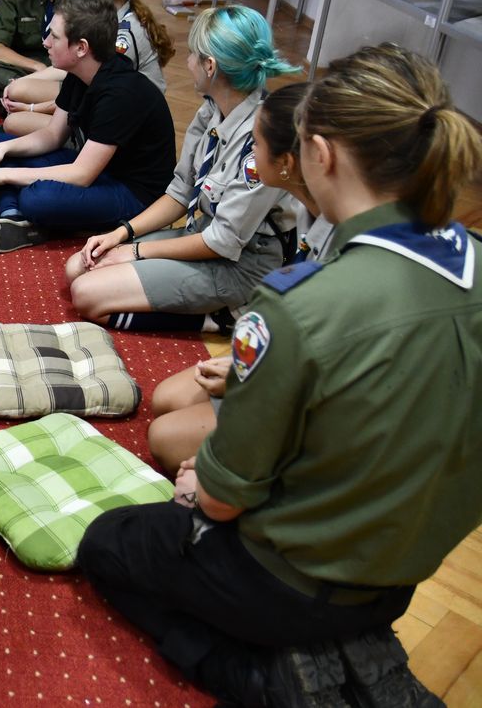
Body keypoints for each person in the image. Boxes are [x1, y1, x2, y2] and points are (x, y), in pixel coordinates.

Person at [78, 43, 482, 707]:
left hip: (290, 578)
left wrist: (202, 487)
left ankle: (263, 674)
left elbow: (224, 498)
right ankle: (345, 646)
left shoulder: (301, 305)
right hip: (400, 577)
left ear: (320, 154)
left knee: (109, 544)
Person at [64, 5, 300, 334]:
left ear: (210, 66)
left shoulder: (260, 140)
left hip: (244, 262)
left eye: (192, 54)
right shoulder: (211, 111)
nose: (187, 63)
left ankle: (222, 318)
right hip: (202, 234)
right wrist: (120, 234)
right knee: (77, 267)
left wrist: (135, 251)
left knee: (87, 294)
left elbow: (222, 241)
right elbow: (179, 193)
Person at [145, 83, 313, 475]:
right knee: (165, 400)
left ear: (287, 162)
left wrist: (252, 378)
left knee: (165, 438)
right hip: (282, 358)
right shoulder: (312, 212)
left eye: (257, 143)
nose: (250, 152)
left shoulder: (345, 240)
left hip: (306, 399)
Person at [0, 0, 176, 253]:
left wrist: (4, 174)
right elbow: (53, 135)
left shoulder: (119, 94)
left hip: (133, 193)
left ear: (81, 48)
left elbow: (81, 175)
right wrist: (3, 150)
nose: (45, 42)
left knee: (36, 197)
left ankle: (18, 208)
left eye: (54, 36)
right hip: (98, 169)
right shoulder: (80, 72)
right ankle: (14, 216)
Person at [2, 0, 173, 136]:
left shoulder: (125, 35)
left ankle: (77, 141)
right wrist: (25, 83)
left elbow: (89, 94)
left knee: (15, 122)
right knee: (17, 90)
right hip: (91, 94)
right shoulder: (105, 19)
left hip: (124, 115)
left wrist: (33, 108)